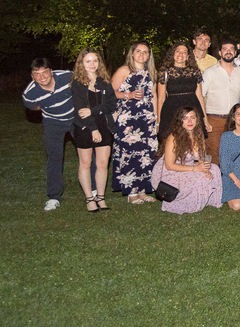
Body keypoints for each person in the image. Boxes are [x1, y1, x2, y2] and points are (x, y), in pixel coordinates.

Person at [111, 41, 159, 204]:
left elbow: (154, 96)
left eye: (145, 52)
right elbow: (111, 93)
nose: (141, 54)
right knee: (131, 153)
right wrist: (128, 95)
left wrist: (156, 119)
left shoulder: (151, 72)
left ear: (149, 55)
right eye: (138, 51)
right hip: (128, 119)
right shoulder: (124, 70)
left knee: (146, 154)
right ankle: (132, 191)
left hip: (146, 119)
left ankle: (143, 190)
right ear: (132, 53)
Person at [23, 59, 75, 211]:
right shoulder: (29, 94)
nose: (42, 77)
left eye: (45, 72)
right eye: (37, 74)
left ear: (51, 71)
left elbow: (83, 86)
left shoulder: (67, 76)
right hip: (53, 124)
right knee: (54, 157)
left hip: (75, 119)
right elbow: (34, 107)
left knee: (87, 152)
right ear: (32, 76)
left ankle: (93, 190)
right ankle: (54, 197)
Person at [151, 107, 224, 214]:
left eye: (192, 117)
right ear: (180, 121)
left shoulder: (199, 135)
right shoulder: (174, 137)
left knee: (215, 169)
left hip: (190, 165)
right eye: (185, 118)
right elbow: (169, 165)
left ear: (197, 120)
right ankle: (187, 204)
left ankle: (209, 200)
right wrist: (196, 169)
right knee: (199, 178)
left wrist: (204, 168)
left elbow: (200, 158)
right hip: (171, 172)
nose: (189, 121)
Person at [71, 48, 117, 212]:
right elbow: (81, 110)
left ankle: (101, 197)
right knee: (85, 163)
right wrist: (93, 128)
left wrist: (94, 110)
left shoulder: (104, 82)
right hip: (85, 127)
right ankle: (89, 198)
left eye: (95, 61)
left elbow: (112, 104)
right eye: (88, 61)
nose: (92, 64)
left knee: (103, 163)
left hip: (104, 126)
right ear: (81, 64)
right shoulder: (77, 84)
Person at [157, 42, 210, 146]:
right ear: (173, 54)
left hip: (192, 110)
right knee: (172, 144)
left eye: (184, 52)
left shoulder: (195, 72)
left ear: (188, 56)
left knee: (194, 144)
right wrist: (158, 121)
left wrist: (205, 119)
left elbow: (200, 96)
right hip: (171, 112)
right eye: (178, 51)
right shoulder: (164, 73)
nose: (181, 54)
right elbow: (161, 99)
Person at [201, 37, 240, 161]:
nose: (228, 51)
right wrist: (204, 119)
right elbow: (200, 96)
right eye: (225, 49)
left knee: (233, 153)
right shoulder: (209, 72)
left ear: (235, 52)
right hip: (214, 120)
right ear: (220, 52)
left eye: (231, 49)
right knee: (214, 153)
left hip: (234, 120)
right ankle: (213, 174)